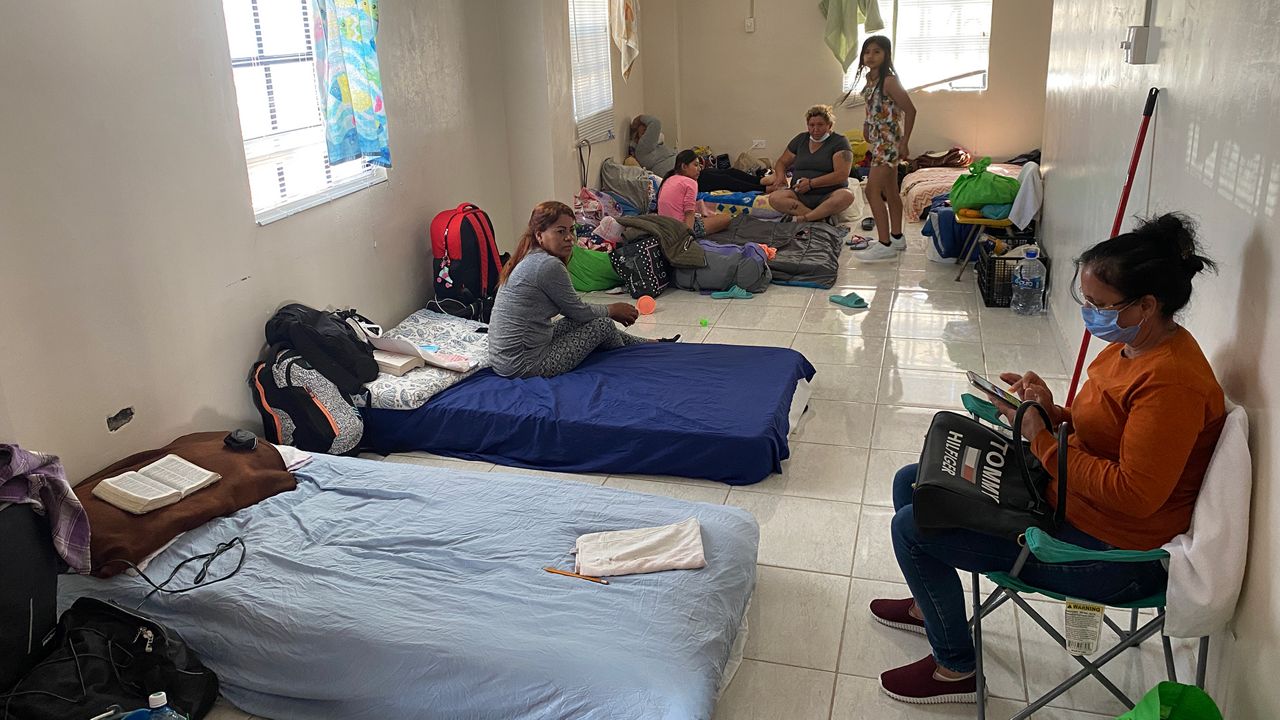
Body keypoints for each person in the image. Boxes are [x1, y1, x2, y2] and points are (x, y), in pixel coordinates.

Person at [872, 213, 1225, 705]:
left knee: (913, 527)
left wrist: (1042, 440)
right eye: (1086, 301)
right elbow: (1101, 429)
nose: (1090, 314)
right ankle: (930, 604)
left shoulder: (1172, 383)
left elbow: (1135, 494)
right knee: (913, 480)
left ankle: (955, 669)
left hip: (1109, 553)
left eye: (1100, 305)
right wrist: (1043, 408)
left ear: (1147, 305)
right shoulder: (1130, 347)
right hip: (1071, 503)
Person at [488, 201, 676, 379]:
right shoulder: (547, 265)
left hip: (509, 357)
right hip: (523, 365)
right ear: (539, 235)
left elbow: (574, 312)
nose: (569, 238)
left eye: (571, 230)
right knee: (603, 325)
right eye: (560, 232)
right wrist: (613, 310)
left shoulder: (532, 256)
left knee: (593, 322)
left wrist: (608, 312)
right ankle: (626, 363)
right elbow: (578, 310)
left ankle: (650, 344)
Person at [846, 36, 916, 261]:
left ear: (886, 54)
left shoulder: (889, 81)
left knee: (871, 191)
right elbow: (873, 108)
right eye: (867, 52)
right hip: (878, 142)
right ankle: (896, 237)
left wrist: (904, 141)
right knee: (889, 191)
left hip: (889, 143)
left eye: (877, 51)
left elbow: (911, 110)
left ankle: (884, 244)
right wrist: (866, 124)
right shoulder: (870, 79)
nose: (871, 56)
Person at [764, 104, 857, 224]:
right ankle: (820, 219)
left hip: (828, 194)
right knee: (775, 198)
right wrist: (780, 177)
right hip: (800, 194)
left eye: (820, 125)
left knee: (847, 196)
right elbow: (782, 162)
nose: (815, 129)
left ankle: (805, 218)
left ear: (829, 125)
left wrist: (811, 184)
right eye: (811, 125)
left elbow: (841, 175)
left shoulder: (839, 142)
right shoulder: (801, 139)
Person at [630, 114, 765, 193]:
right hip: (683, 179)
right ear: (638, 136)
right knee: (726, 180)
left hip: (691, 172)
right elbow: (656, 123)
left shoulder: (657, 146)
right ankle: (762, 190)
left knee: (729, 172)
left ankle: (761, 181)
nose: (650, 135)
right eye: (644, 132)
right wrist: (640, 118)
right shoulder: (643, 149)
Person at [656, 150, 734, 237]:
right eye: (696, 165)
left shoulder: (668, 179)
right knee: (727, 218)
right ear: (684, 166)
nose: (699, 169)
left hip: (664, 226)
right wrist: (688, 235)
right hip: (680, 229)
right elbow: (689, 212)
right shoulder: (690, 182)